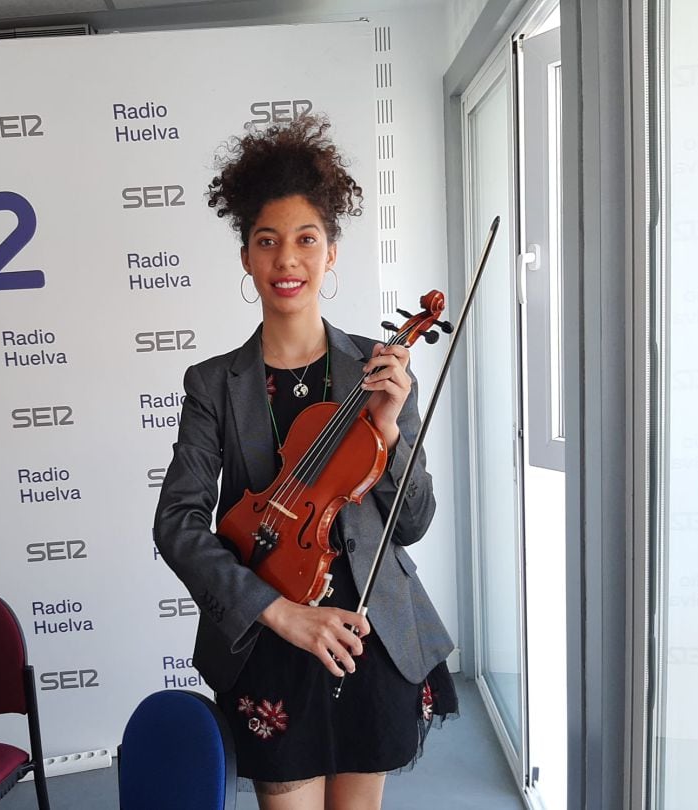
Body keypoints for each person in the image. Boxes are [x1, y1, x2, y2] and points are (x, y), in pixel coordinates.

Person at [153, 114, 456, 810]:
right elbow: (177, 522)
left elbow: (411, 523)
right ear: (247, 258)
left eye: (305, 239)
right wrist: (280, 613)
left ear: (331, 253)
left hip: (367, 633)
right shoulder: (213, 385)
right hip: (271, 640)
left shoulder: (379, 370)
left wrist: (390, 430)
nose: (287, 259)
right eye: (267, 242)